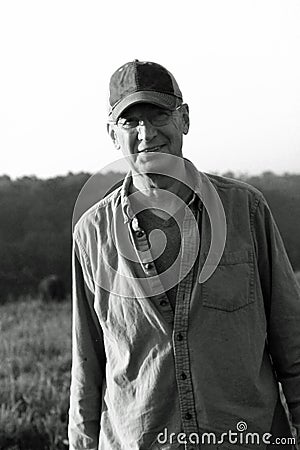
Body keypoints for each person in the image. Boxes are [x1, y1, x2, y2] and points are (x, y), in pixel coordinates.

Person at [68, 60, 300, 449]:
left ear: (184, 119)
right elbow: (87, 365)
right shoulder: (91, 234)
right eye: (130, 122)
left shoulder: (246, 210)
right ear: (112, 134)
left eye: (158, 114)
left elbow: (291, 344)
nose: (146, 133)